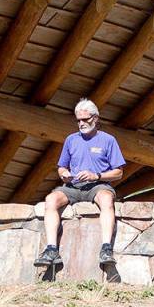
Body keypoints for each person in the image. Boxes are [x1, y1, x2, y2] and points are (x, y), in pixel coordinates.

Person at [35, 99, 126, 267]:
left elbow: (119, 172)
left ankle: (106, 249)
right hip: (73, 186)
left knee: (106, 199)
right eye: (78, 120)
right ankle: (51, 250)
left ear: (96, 118)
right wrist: (64, 174)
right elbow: (61, 167)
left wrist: (96, 176)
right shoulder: (71, 139)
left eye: (86, 119)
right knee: (51, 200)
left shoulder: (108, 140)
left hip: (98, 186)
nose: (81, 123)